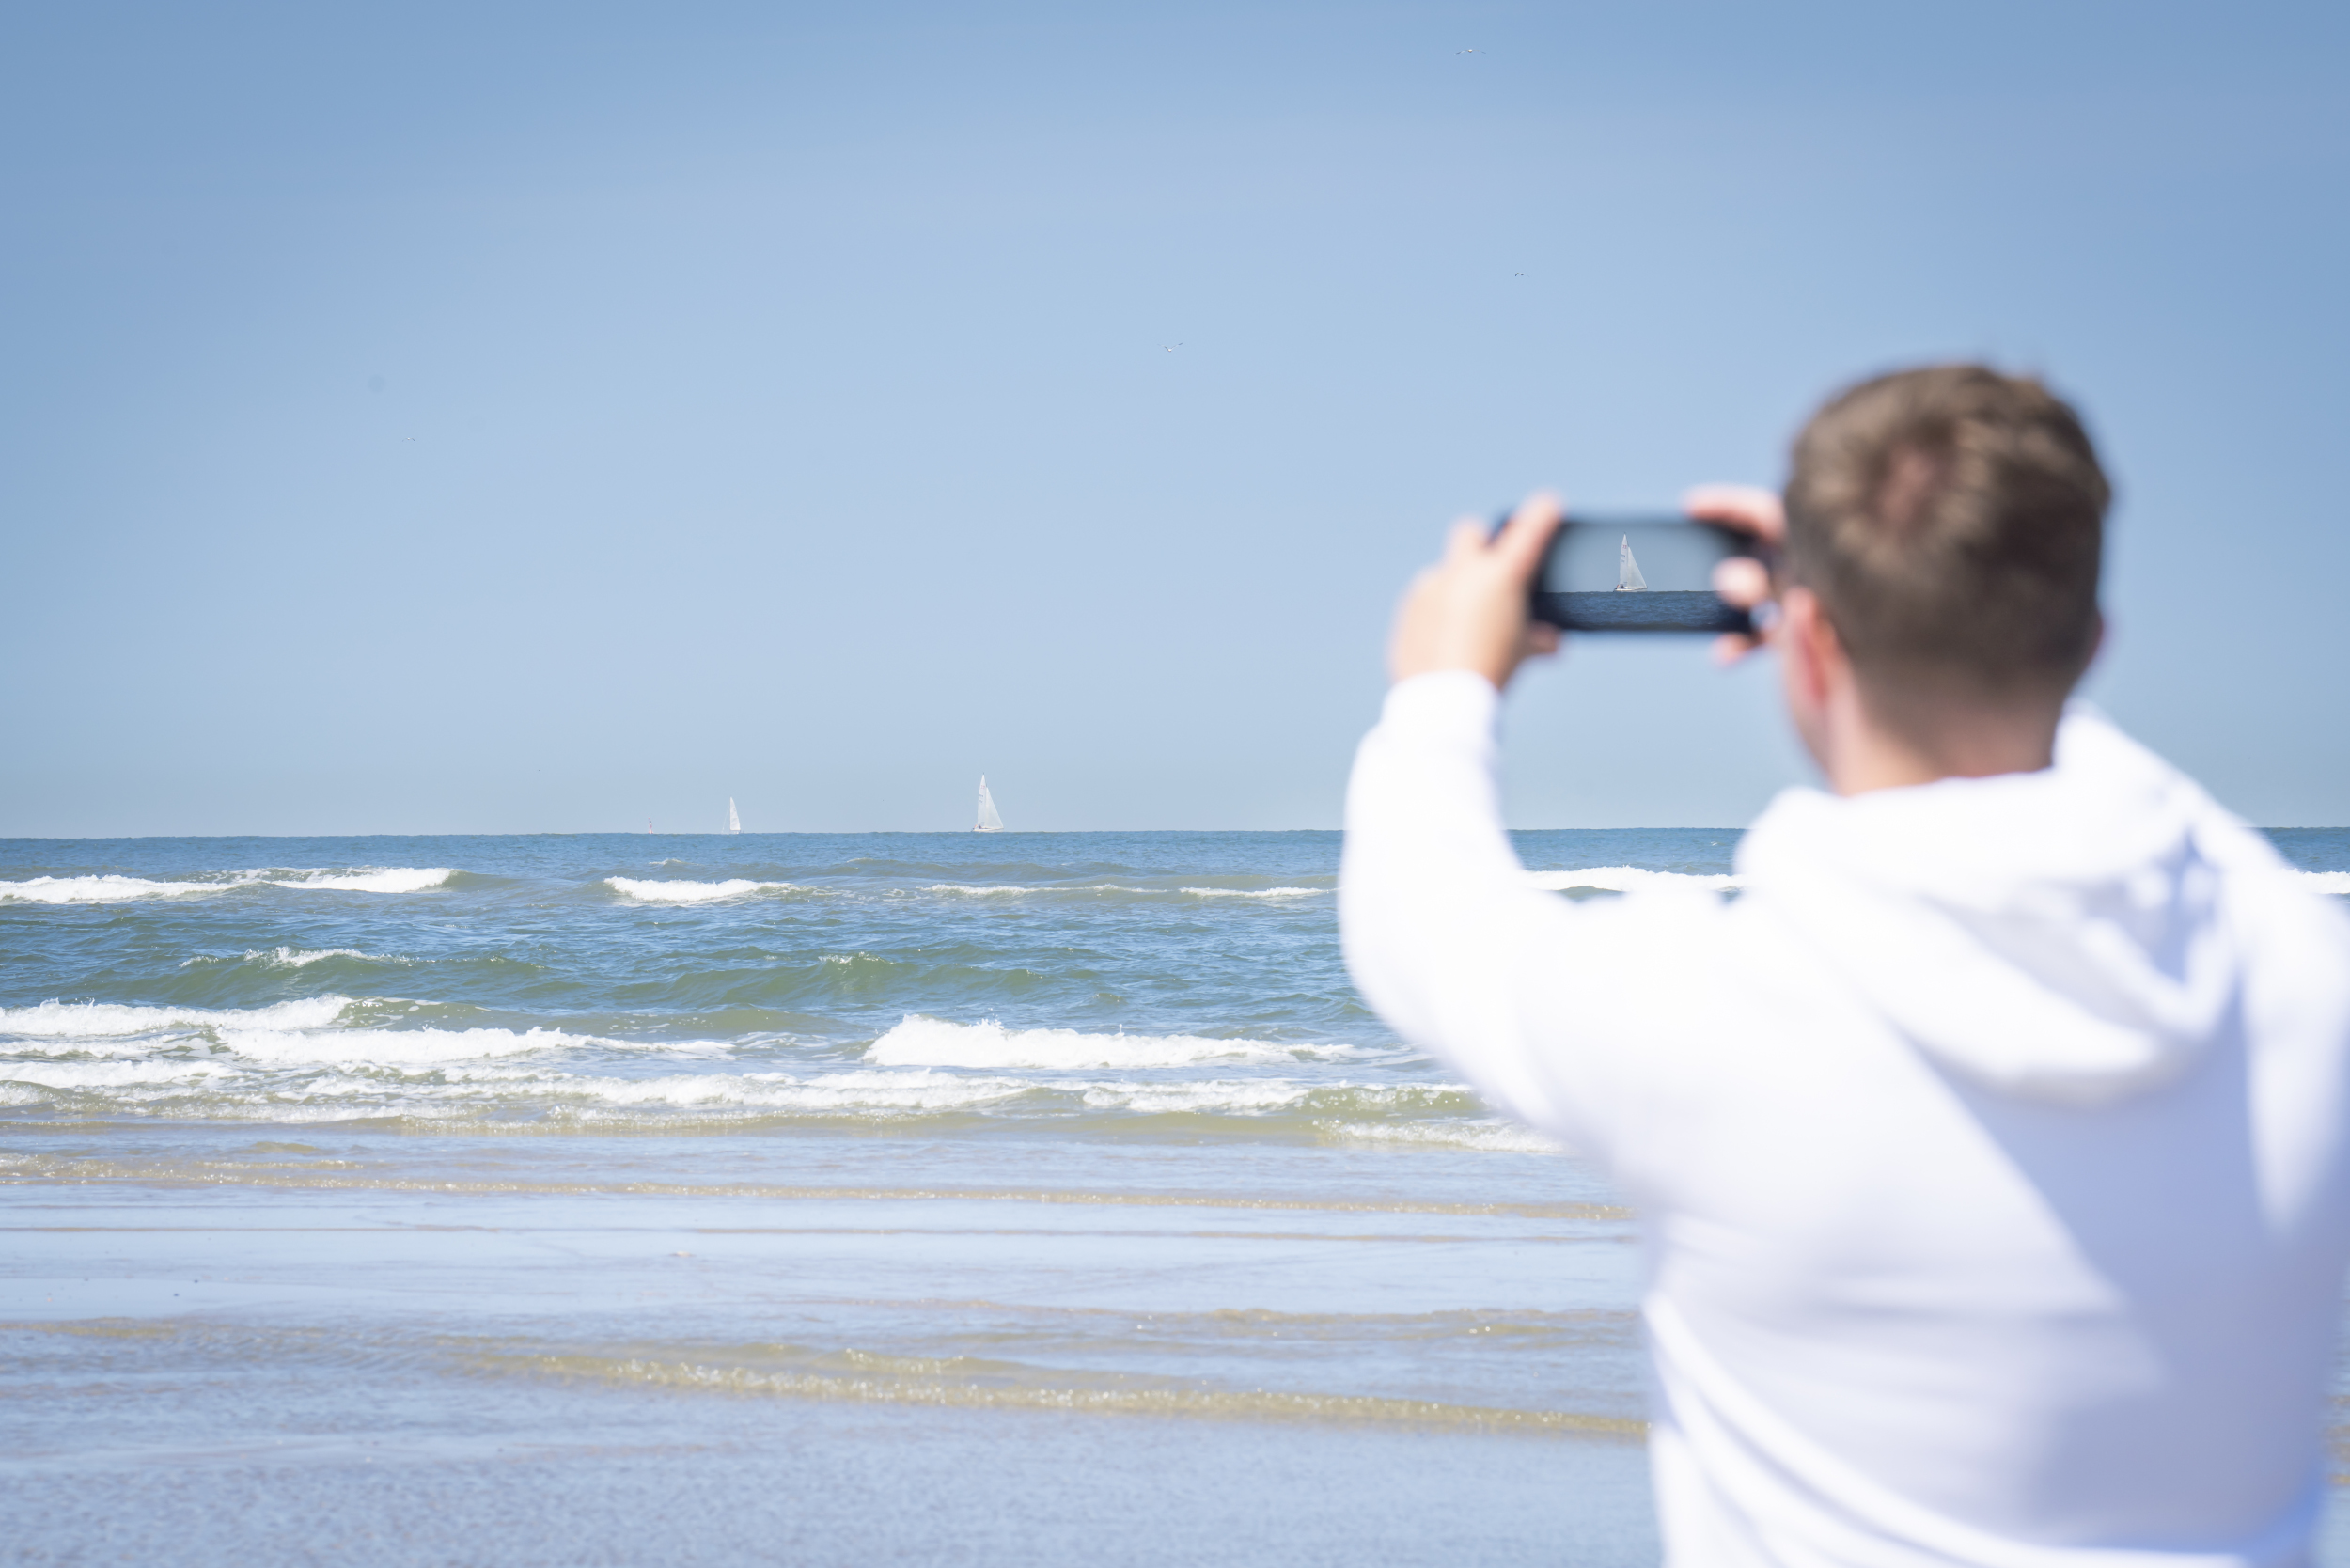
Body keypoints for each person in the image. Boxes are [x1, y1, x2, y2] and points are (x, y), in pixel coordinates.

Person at [1340, 365, 2350, 1567]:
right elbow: (2173, 820)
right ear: (2088, 647)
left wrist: (1443, 687)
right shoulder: (2298, 976)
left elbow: (1420, 918)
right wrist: (1922, 600)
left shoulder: (1707, 1011)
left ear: (1806, 640)